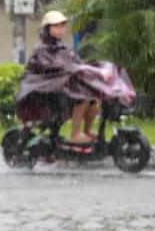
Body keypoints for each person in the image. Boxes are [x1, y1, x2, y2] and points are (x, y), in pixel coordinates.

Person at [19, 11, 122, 146]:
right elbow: (65, 67)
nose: (60, 29)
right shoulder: (42, 49)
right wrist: (95, 72)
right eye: (56, 26)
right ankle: (75, 134)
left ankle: (87, 131)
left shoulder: (61, 47)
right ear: (47, 28)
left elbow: (78, 64)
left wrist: (99, 70)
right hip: (42, 92)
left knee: (94, 99)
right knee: (81, 97)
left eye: (62, 25)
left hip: (57, 89)